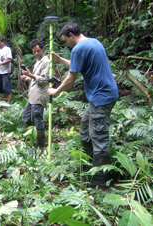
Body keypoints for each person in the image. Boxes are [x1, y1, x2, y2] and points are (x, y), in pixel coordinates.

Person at [47, 22, 119, 187]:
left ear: (71, 35)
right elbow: (76, 66)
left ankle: (100, 181)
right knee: (85, 129)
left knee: (99, 138)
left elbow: (71, 79)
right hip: (103, 96)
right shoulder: (93, 42)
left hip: (102, 97)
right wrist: (58, 60)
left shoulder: (78, 49)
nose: (67, 43)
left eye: (66, 40)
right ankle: (90, 165)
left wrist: (56, 91)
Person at [21, 39, 50, 147]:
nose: (36, 54)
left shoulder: (46, 61)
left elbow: (44, 80)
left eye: (38, 51)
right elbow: (35, 79)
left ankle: (40, 146)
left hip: (39, 96)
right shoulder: (38, 61)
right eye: (34, 52)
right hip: (32, 95)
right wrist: (28, 78)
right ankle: (32, 138)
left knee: (37, 119)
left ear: (42, 49)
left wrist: (30, 75)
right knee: (26, 116)